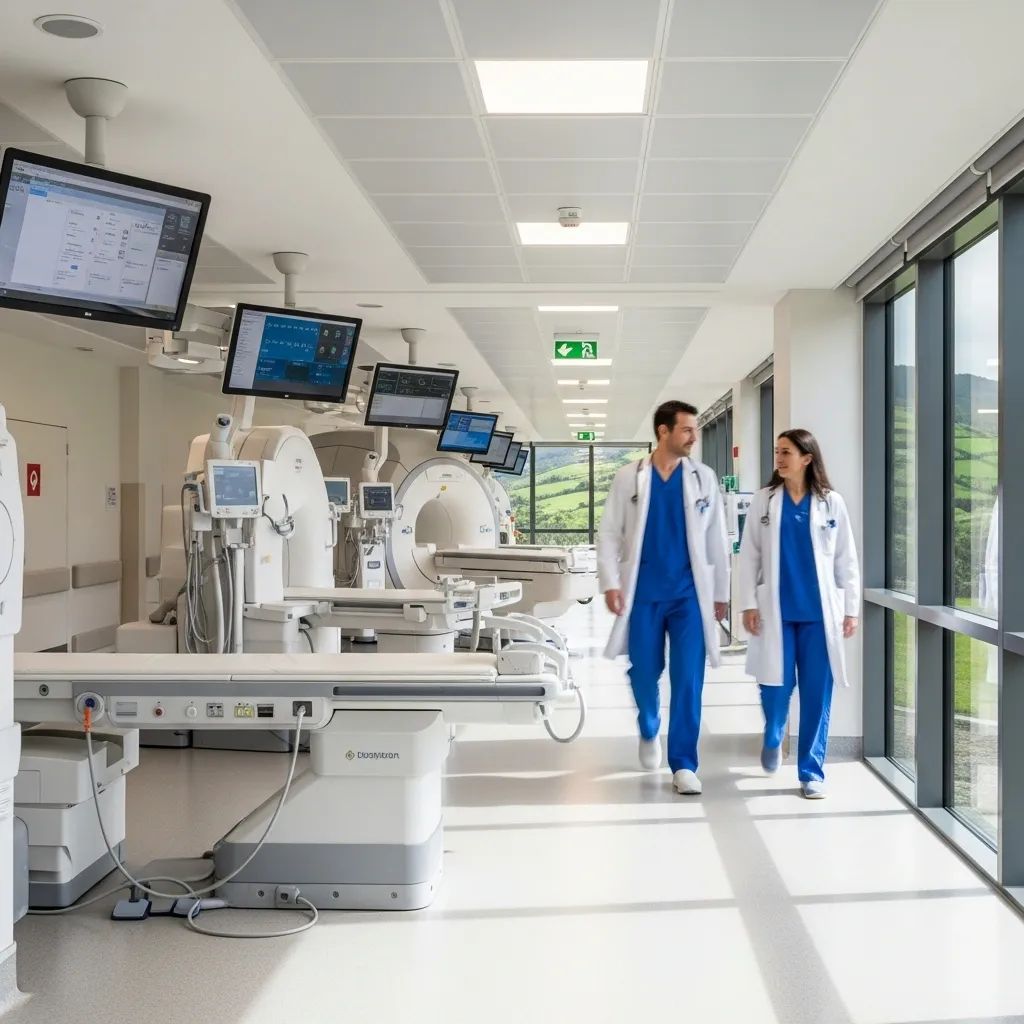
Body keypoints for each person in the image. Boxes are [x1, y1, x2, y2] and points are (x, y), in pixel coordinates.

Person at [597, 400, 730, 795]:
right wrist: (610, 582)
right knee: (644, 671)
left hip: (689, 596)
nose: (694, 437)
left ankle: (685, 764)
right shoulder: (628, 478)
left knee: (688, 679)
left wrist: (721, 593)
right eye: (687, 430)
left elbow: (717, 541)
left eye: (695, 430)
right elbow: (608, 533)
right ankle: (649, 724)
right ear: (663, 432)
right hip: (643, 594)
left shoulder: (704, 478)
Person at [737, 429, 860, 799]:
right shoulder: (764, 501)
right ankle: (775, 731)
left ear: (807, 458)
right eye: (777, 451)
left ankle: (811, 771)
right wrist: (747, 603)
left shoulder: (831, 503)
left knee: (817, 694)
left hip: (819, 616)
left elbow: (846, 560)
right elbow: (749, 558)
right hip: (777, 611)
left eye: (786, 452)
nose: (779, 458)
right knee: (775, 687)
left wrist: (850, 609)